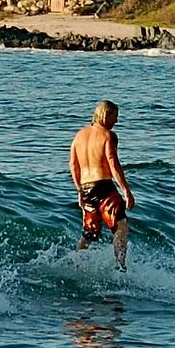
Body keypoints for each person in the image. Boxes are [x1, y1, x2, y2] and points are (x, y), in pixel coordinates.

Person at [69, 99, 133, 270]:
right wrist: (126, 191)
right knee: (121, 226)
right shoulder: (108, 136)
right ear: (106, 115)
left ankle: (75, 263)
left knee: (90, 233)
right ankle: (121, 268)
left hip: (86, 189)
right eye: (115, 116)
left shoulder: (79, 135)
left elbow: (73, 165)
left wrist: (80, 191)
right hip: (104, 187)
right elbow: (113, 163)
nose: (117, 121)